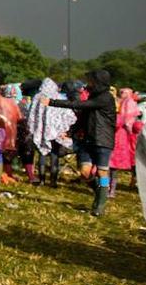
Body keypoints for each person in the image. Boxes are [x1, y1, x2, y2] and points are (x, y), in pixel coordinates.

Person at [43, 69, 117, 217]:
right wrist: (71, 131)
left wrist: (52, 102)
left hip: (102, 140)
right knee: (85, 172)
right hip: (87, 140)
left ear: (99, 81)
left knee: (102, 172)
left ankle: (99, 206)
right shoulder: (93, 96)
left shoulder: (105, 97)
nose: (88, 83)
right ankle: (99, 192)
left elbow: (82, 105)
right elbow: (83, 118)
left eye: (91, 80)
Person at [110, 87, 141, 198]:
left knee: (108, 169)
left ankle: (106, 189)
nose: (121, 93)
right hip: (121, 139)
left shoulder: (127, 103)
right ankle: (110, 190)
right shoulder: (127, 103)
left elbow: (128, 122)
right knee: (112, 170)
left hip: (116, 140)